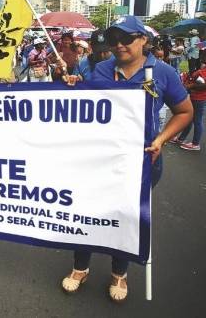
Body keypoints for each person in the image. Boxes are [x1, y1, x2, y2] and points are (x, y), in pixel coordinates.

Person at [61, 15, 193, 302]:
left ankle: (119, 272)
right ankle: (80, 267)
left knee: (124, 218)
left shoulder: (163, 72)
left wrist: (160, 140)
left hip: (141, 163)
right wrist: (72, 85)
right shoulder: (99, 68)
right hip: (98, 161)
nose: (119, 45)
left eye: (127, 38)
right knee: (87, 212)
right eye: (114, 39)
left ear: (143, 39)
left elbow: (185, 112)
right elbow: (83, 102)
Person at [170, 53, 206, 150]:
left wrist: (191, 85)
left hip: (200, 99)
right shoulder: (202, 67)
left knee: (197, 120)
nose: (201, 56)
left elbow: (203, 85)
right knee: (189, 118)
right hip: (195, 97)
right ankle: (181, 138)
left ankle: (195, 144)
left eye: (203, 54)